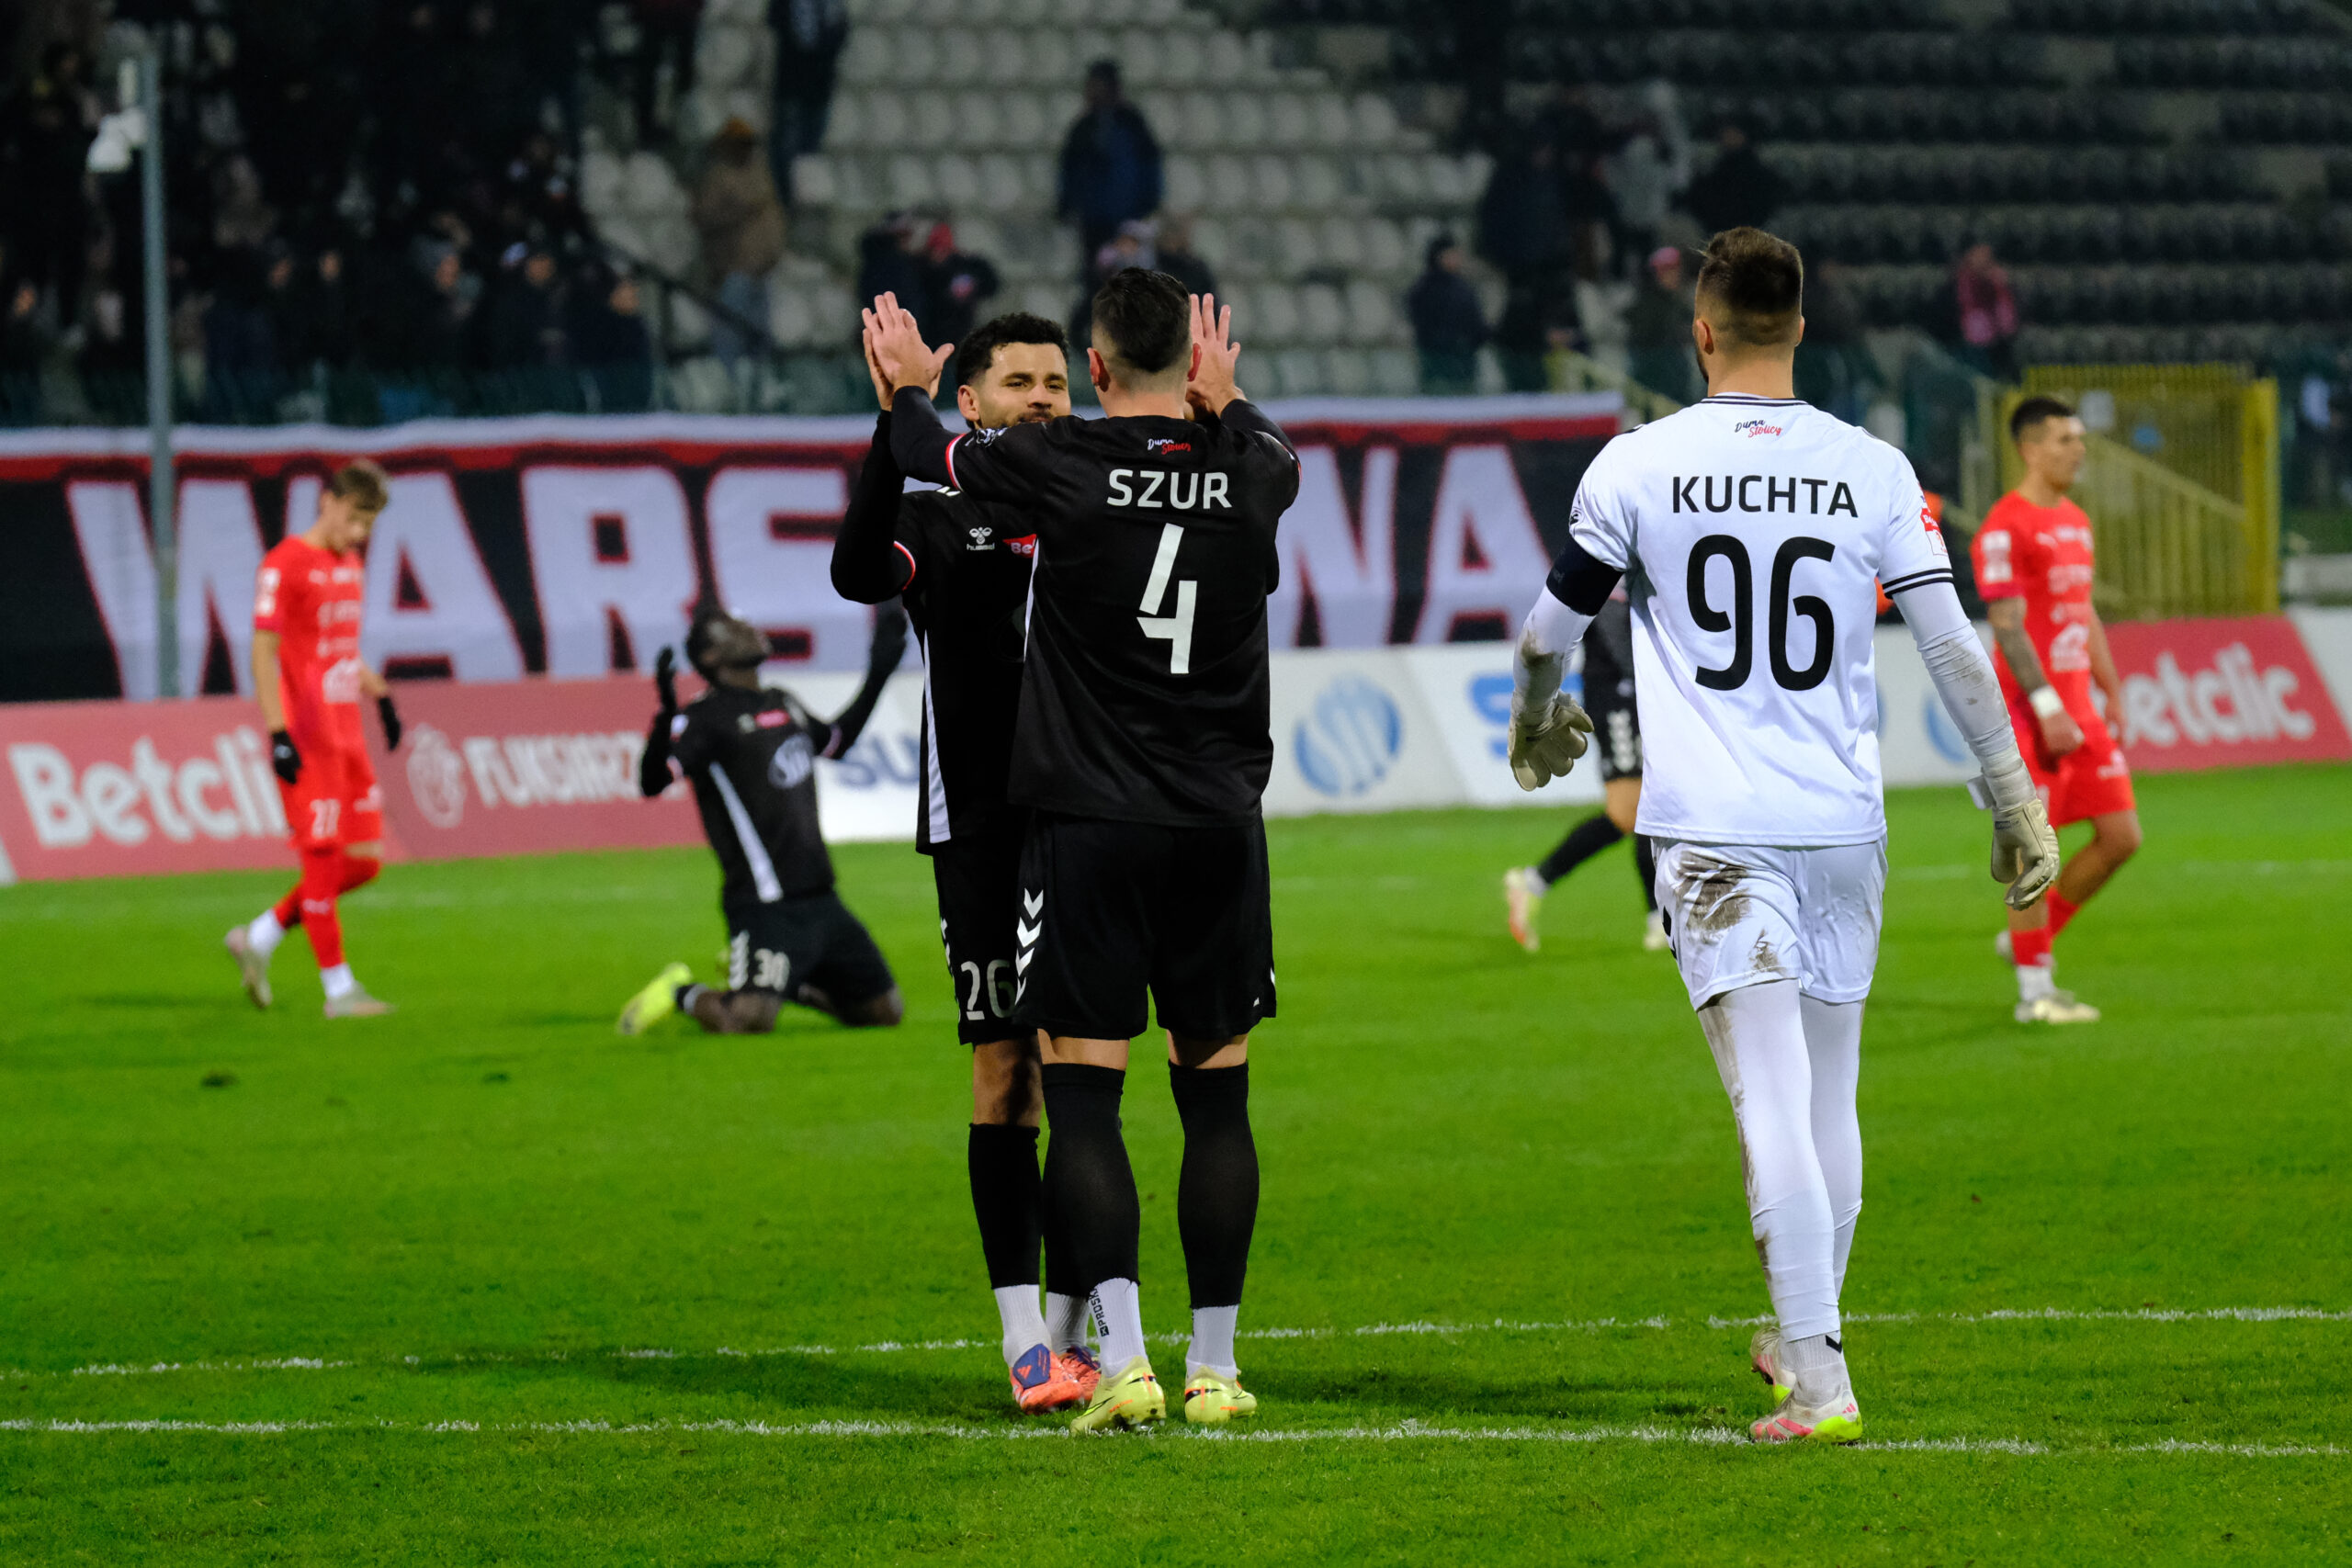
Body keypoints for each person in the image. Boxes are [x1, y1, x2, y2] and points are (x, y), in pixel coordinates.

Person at [1507, 227, 2059, 1444]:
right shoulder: (1872, 466)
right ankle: (1803, 1336)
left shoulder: (1639, 464)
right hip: (1842, 826)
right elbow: (1953, 646)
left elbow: (1551, 626)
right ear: (1801, 327)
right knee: (1827, 1094)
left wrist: (1535, 715)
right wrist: (2013, 794)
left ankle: (1818, 1378)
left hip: (1716, 831)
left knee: (1768, 1095)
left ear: (1700, 332)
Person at [866, 271, 1300, 1433]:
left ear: (1095, 371)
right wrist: (1227, 396)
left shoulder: (1061, 464)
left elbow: (924, 449)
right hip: (1221, 825)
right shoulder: (1256, 469)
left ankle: (1126, 1361)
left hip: (1092, 824)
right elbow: (1266, 447)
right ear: (1194, 369)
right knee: (1218, 1102)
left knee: (1085, 1099)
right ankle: (1216, 1368)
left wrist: (906, 387)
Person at [831, 311, 1097, 1415]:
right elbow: (857, 571)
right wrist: (888, 422)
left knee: (1086, 1075)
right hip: (981, 832)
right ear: (971, 404)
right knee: (1006, 1074)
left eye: (1057, 381)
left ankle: (1084, 1331)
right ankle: (1024, 1339)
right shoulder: (939, 518)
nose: (1043, 397)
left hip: (1090, 822)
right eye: (1019, 381)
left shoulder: (1100, 497)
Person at [615, 604, 910, 1036]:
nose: (748, 629)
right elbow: (652, 781)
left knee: (884, 1012)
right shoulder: (705, 718)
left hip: (822, 898)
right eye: (731, 628)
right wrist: (663, 717)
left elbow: (837, 742)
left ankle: (787, 984)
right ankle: (681, 991)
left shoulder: (782, 701)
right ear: (711, 657)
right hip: (764, 905)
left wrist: (880, 669)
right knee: (748, 1019)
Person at [1973, 397, 2140, 1023]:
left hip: (2078, 711)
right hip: (2027, 715)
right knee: (2034, 850)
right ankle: (2035, 993)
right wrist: (2046, 707)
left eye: (2080, 438)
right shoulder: (2004, 527)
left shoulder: (2075, 521)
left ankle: (2027, 942)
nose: (2079, 450)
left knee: (2121, 836)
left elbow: (2083, 609)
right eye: (2065, 439)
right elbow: (2007, 626)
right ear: (2030, 448)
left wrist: (2110, 688)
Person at [224, 462, 406, 1019]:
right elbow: (262, 653)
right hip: (307, 735)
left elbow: (339, 647)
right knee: (323, 860)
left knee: (365, 862)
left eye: (369, 524)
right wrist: (278, 733)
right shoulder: (283, 564)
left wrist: (379, 693)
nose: (360, 533)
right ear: (327, 501)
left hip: (347, 733)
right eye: (354, 519)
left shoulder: (351, 565)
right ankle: (339, 991)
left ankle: (259, 937)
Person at [1502, 584, 1665, 953]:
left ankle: (1658, 919)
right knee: (1630, 810)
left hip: (1638, 693)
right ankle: (1534, 882)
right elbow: (1609, 632)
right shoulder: (1611, 569)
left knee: (1648, 804)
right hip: (1618, 694)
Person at [693, 118, 788, 368]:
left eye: (748, 144)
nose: (746, 150)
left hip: (763, 271)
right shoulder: (718, 177)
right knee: (728, 333)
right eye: (740, 144)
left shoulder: (759, 174)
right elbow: (703, 219)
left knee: (760, 337)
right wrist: (740, 212)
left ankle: (760, 384)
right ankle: (727, 383)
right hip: (734, 271)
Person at [1056, 61, 1163, 273]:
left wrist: (1148, 202)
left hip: (1129, 216)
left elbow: (1149, 165)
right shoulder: (1084, 128)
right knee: (1097, 273)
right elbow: (1070, 169)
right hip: (1093, 220)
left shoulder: (1132, 124)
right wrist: (1067, 204)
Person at [1407, 234, 1487, 396]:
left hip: (1464, 358)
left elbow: (1475, 320)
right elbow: (1421, 320)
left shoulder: (1463, 287)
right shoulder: (1425, 288)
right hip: (1437, 357)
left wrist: (1475, 338)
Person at [1682, 123, 1785, 238]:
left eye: (1733, 134)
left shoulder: (1757, 171)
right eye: (1726, 134)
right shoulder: (1718, 168)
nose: (1727, 137)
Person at [1952, 241, 2019, 383]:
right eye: (1977, 258)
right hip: (1975, 340)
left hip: (1999, 338)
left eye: (1986, 259)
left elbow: (2007, 312)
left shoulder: (1999, 281)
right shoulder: (1965, 282)